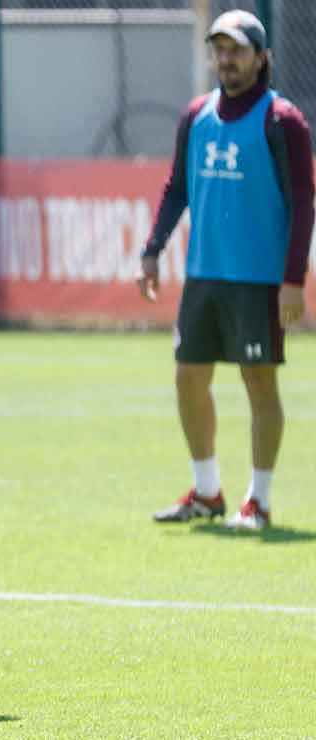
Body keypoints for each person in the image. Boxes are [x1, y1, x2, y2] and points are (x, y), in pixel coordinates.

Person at [141, 10, 312, 531]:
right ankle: (207, 491)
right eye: (219, 49)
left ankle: (257, 502)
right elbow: (177, 188)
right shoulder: (196, 115)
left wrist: (292, 281)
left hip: (258, 280)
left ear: (262, 58)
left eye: (237, 49)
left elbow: (304, 202)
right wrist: (152, 250)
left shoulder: (282, 120)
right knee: (188, 379)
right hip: (204, 276)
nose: (226, 58)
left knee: (260, 386)